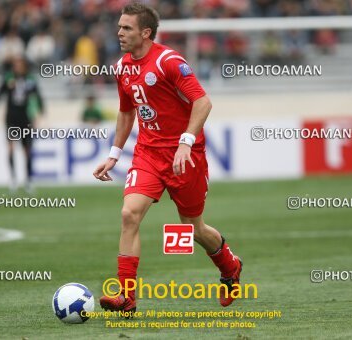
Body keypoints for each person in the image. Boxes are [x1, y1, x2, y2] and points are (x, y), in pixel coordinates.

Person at [93, 2, 242, 314]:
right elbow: (126, 111)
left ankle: (230, 267)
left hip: (185, 157)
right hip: (147, 154)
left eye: (126, 28)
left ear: (146, 33)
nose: (119, 33)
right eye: (119, 27)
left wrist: (186, 142)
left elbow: (202, 102)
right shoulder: (121, 67)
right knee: (129, 214)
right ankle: (126, 296)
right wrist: (114, 154)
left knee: (192, 227)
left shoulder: (168, 61)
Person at [0, 57, 44, 193]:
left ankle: (28, 181)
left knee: (27, 151)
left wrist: (40, 115)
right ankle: (13, 180)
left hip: (25, 118)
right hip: (11, 118)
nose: (17, 67)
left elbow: (38, 97)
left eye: (20, 64)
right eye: (15, 65)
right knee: (11, 148)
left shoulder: (30, 80)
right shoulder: (8, 78)